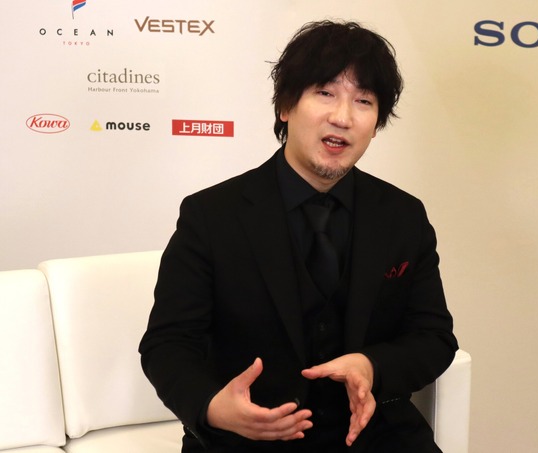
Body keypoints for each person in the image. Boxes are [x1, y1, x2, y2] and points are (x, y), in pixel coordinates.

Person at [139, 20, 458, 453]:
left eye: (363, 101)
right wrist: (214, 408)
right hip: (249, 438)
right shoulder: (212, 215)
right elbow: (168, 343)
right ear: (286, 106)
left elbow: (433, 336)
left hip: (375, 435)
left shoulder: (402, 216)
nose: (342, 117)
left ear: (376, 122)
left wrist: (370, 366)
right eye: (325, 93)